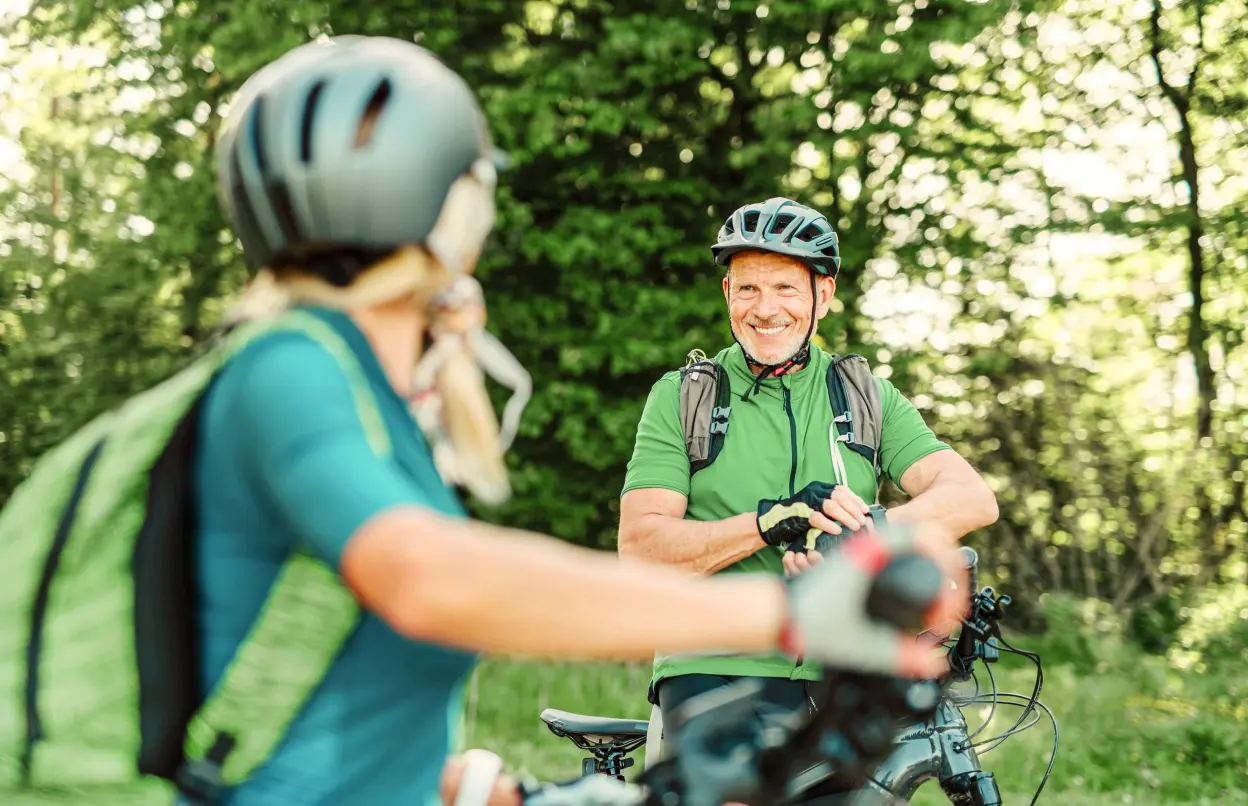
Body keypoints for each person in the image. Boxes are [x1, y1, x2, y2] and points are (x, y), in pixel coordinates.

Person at [191, 36, 965, 806]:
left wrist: (499, 792)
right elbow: (432, 581)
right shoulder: (292, 369)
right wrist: (787, 611)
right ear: (448, 225)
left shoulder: (364, 401)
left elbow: (302, 690)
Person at [617, 197, 999, 757]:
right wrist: (770, 522)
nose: (765, 308)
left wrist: (859, 537)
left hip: (844, 667)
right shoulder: (685, 397)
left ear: (823, 295)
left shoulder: (863, 395)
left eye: (785, 289)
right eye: (748, 288)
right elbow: (641, 547)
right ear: (727, 293)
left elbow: (971, 498)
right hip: (713, 663)